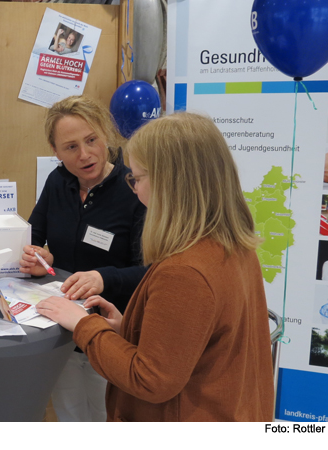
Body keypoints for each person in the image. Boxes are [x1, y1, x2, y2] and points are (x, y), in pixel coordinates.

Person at [37, 112, 275, 421]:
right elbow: (203, 342)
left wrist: (83, 324)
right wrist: (131, 329)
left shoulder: (185, 270)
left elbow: (149, 380)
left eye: (137, 178)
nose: (134, 189)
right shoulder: (233, 243)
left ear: (170, 182)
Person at [19, 95, 146, 422]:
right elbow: (33, 236)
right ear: (55, 151)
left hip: (111, 333)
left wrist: (103, 277)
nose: (84, 154)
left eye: (91, 140)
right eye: (71, 147)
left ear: (107, 134)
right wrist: (36, 257)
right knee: (70, 417)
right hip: (60, 333)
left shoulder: (135, 188)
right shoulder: (57, 181)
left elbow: (150, 272)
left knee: (109, 418)